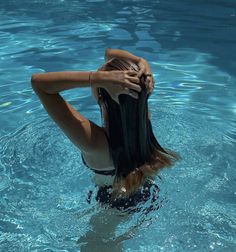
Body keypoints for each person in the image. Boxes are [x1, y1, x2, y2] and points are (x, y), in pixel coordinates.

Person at [31, 48, 179, 210]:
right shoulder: (140, 110)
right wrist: (141, 62)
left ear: (101, 95)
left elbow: (40, 84)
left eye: (101, 80)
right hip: (150, 192)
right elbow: (110, 53)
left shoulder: (95, 143)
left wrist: (95, 78)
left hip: (113, 207)